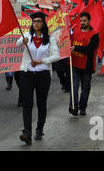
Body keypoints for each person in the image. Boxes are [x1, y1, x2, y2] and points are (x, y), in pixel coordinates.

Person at [16, 11, 60, 144]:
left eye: (39, 21)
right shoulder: (27, 36)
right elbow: (17, 44)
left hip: (43, 75)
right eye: (34, 21)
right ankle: (27, 132)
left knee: (41, 103)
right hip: (27, 74)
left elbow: (56, 56)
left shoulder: (50, 38)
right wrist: (22, 41)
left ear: (43, 23)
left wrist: (42, 61)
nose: (36, 24)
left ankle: (39, 129)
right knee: (27, 104)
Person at [69, 12, 99, 117]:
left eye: (84, 20)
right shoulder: (75, 32)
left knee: (85, 89)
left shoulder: (95, 34)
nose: (82, 22)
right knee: (74, 87)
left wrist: (76, 48)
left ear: (89, 21)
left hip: (87, 67)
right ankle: (73, 107)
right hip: (75, 65)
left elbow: (89, 49)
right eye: (81, 20)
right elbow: (69, 42)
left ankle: (82, 107)